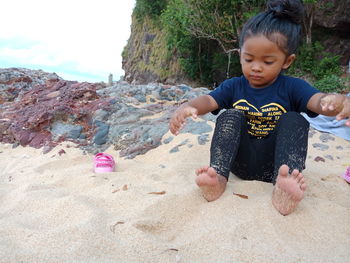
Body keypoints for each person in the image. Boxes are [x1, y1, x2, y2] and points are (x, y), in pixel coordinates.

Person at [169, 0, 350, 216]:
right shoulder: (234, 86)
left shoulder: (293, 87)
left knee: (295, 119)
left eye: (267, 62)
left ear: (287, 61)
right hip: (239, 163)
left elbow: (319, 102)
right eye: (249, 59)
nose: (256, 67)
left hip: (276, 166)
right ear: (240, 55)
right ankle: (217, 177)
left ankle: (284, 187)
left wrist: (336, 102)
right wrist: (189, 106)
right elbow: (209, 101)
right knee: (230, 115)